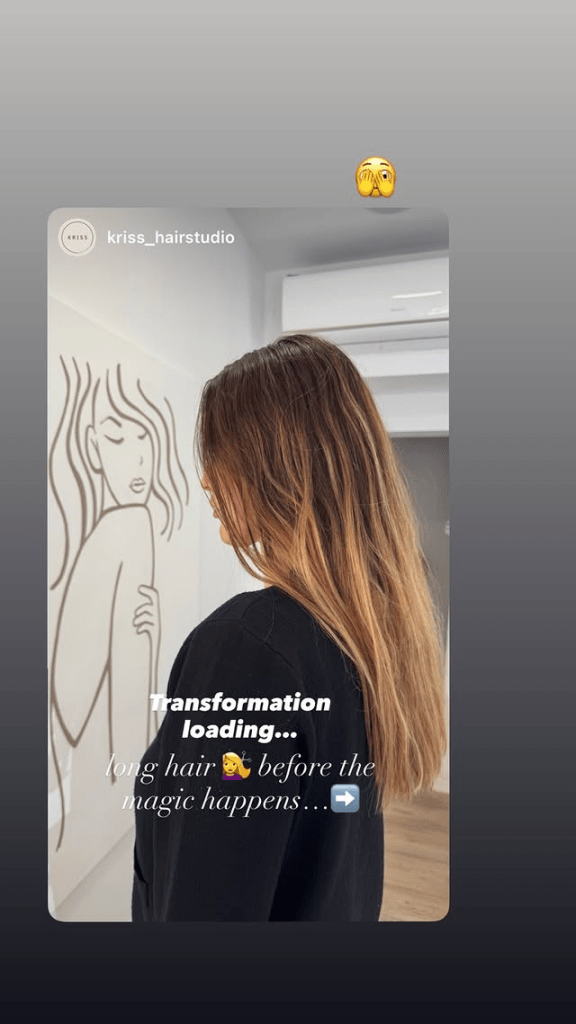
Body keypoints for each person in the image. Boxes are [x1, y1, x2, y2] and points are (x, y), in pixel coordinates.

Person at [131, 333, 447, 922]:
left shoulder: (246, 653)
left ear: (279, 464)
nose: (204, 480)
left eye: (219, 454)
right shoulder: (363, 630)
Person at [49, 359, 189, 851]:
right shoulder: (130, 524)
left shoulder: (116, 530)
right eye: (116, 438)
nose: (137, 458)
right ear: (92, 447)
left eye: (144, 436)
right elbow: (132, 737)